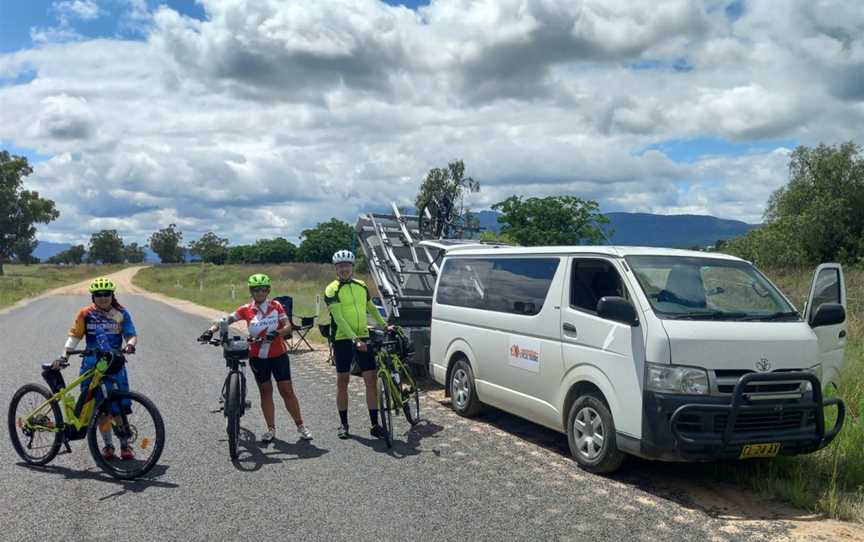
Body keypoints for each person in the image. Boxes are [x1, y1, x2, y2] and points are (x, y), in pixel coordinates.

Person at [200, 273, 312, 443]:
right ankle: (271, 429)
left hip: (278, 355)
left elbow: (288, 327)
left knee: (286, 391)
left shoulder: (276, 306)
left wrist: (277, 333)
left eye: (263, 289)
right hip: (257, 356)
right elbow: (226, 319)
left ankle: (301, 425)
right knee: (265, 392)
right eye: (255, 290)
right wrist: (210, 330)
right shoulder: (246, 309)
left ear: (268, 290)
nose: (259, 293)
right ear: (251, 291)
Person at [55, 277, 138, 460]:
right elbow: (75, 336)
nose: (103, 298)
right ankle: (108, 446)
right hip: (91, 366)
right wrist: (64, 355)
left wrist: (130, 345)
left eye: (106, 294)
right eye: (98, 295)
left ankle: (125, 446)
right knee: (101, 409)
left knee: (118, 408)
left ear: (112, 295)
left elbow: (131, 334)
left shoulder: (121, 313)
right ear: (93, 297)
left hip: (114, 366)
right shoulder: (86, 313)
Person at [324, 250, 393, 439]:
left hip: (363, 335)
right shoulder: (332, 289)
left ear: (352, 266)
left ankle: (374, 424)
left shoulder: (361, 285)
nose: (344, 269)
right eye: (340, 266)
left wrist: (384, 324)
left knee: (370, 380)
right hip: (342, 338)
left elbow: (370, 307)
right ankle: (344, 424)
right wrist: (354, 340)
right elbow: (338, 318)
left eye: (347, 265)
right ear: (336, 268)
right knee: (343, 381)